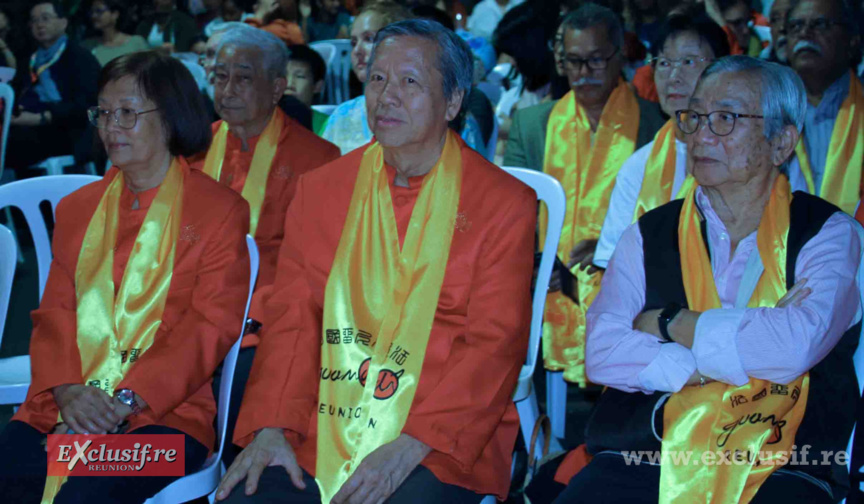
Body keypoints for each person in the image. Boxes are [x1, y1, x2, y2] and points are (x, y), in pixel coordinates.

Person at [215, 19, 535, 504]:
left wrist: (410, 447)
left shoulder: (503, 203)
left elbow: (494, 345)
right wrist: (272, 425)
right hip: (321, 413)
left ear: (453, 101)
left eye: (410, 81)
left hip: (438, 430)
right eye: (378, 78)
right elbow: (294, 318)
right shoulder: (323, 188)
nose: (387, 95)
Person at [564, 55, 862, 504]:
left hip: (782, 459)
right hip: (652, 452)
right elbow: (602, 352)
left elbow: (797, 345)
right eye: (695, 116)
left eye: (726, 118)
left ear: (782, 142)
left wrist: (670, 323)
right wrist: (708, 365)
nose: (700, 134)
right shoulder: (648, 234)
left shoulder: (828, 234)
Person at [0, 50, 251, 504]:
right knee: (10, 474)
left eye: (128, 113)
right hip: (60, 406)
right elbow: (55, 312)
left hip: (168, 420)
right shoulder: (77, 209)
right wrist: (68, 389)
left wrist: (130, 398)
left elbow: (209, 326)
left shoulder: (219, 212)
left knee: (86, 493)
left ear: (172, 118)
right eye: (104, 112)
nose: (111, 126)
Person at [188, 24, 340, 466]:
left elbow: (311, 274)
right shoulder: (194, 151)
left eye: (243, 77)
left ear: (277, 88)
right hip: (189, 310)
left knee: (243, 388)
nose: (228, 89)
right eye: (219, 76)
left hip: (265, 318)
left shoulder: (319, 160)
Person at [504, 3, 665, 387]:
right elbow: (510, 211)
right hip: (545, 283)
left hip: (626, 284)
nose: (583, 73)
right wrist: (542, 263)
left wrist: (612, 246)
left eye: (595, 60)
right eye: (573, 61)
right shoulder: (532, 125)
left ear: (620, 55)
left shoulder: (656, 125)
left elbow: (663, 217)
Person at [594, 14, 730, 269]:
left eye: (689, 61)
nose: (674, 76)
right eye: (664, 63)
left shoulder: (747, 154)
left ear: (722, 68)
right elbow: (613, 265)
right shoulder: (639, 167)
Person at [786, 0, 864, 217]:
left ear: (852, 41)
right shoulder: (766, 113)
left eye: (819, 24)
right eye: (795, 26)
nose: (804, 34)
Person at [7, 1, 101, 171]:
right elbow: (16, 93)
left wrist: (42, 117)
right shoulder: (29, 59)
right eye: (34, 20)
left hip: (68, 130)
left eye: (45, 18)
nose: (39, 24)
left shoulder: (80, 57)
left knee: (14, 142)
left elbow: (88, 106)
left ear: (63, 23)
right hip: (27, 124)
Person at [321, 1, 413, 153]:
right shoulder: (342, 116)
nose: (357, 50)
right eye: (354, 42)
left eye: (369, 39)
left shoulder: (419, 110)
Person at [88, 0, 150, 66]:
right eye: (92, 12)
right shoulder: (89, 46)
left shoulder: (136, 43)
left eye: (99, 11)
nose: (93, 16)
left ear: (115, 14)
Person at [286, 44, 328, 134]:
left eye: (300, 76)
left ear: (317, 86)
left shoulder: (329, 125)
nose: (289, 84)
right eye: (283, 75)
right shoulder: (259, 123)